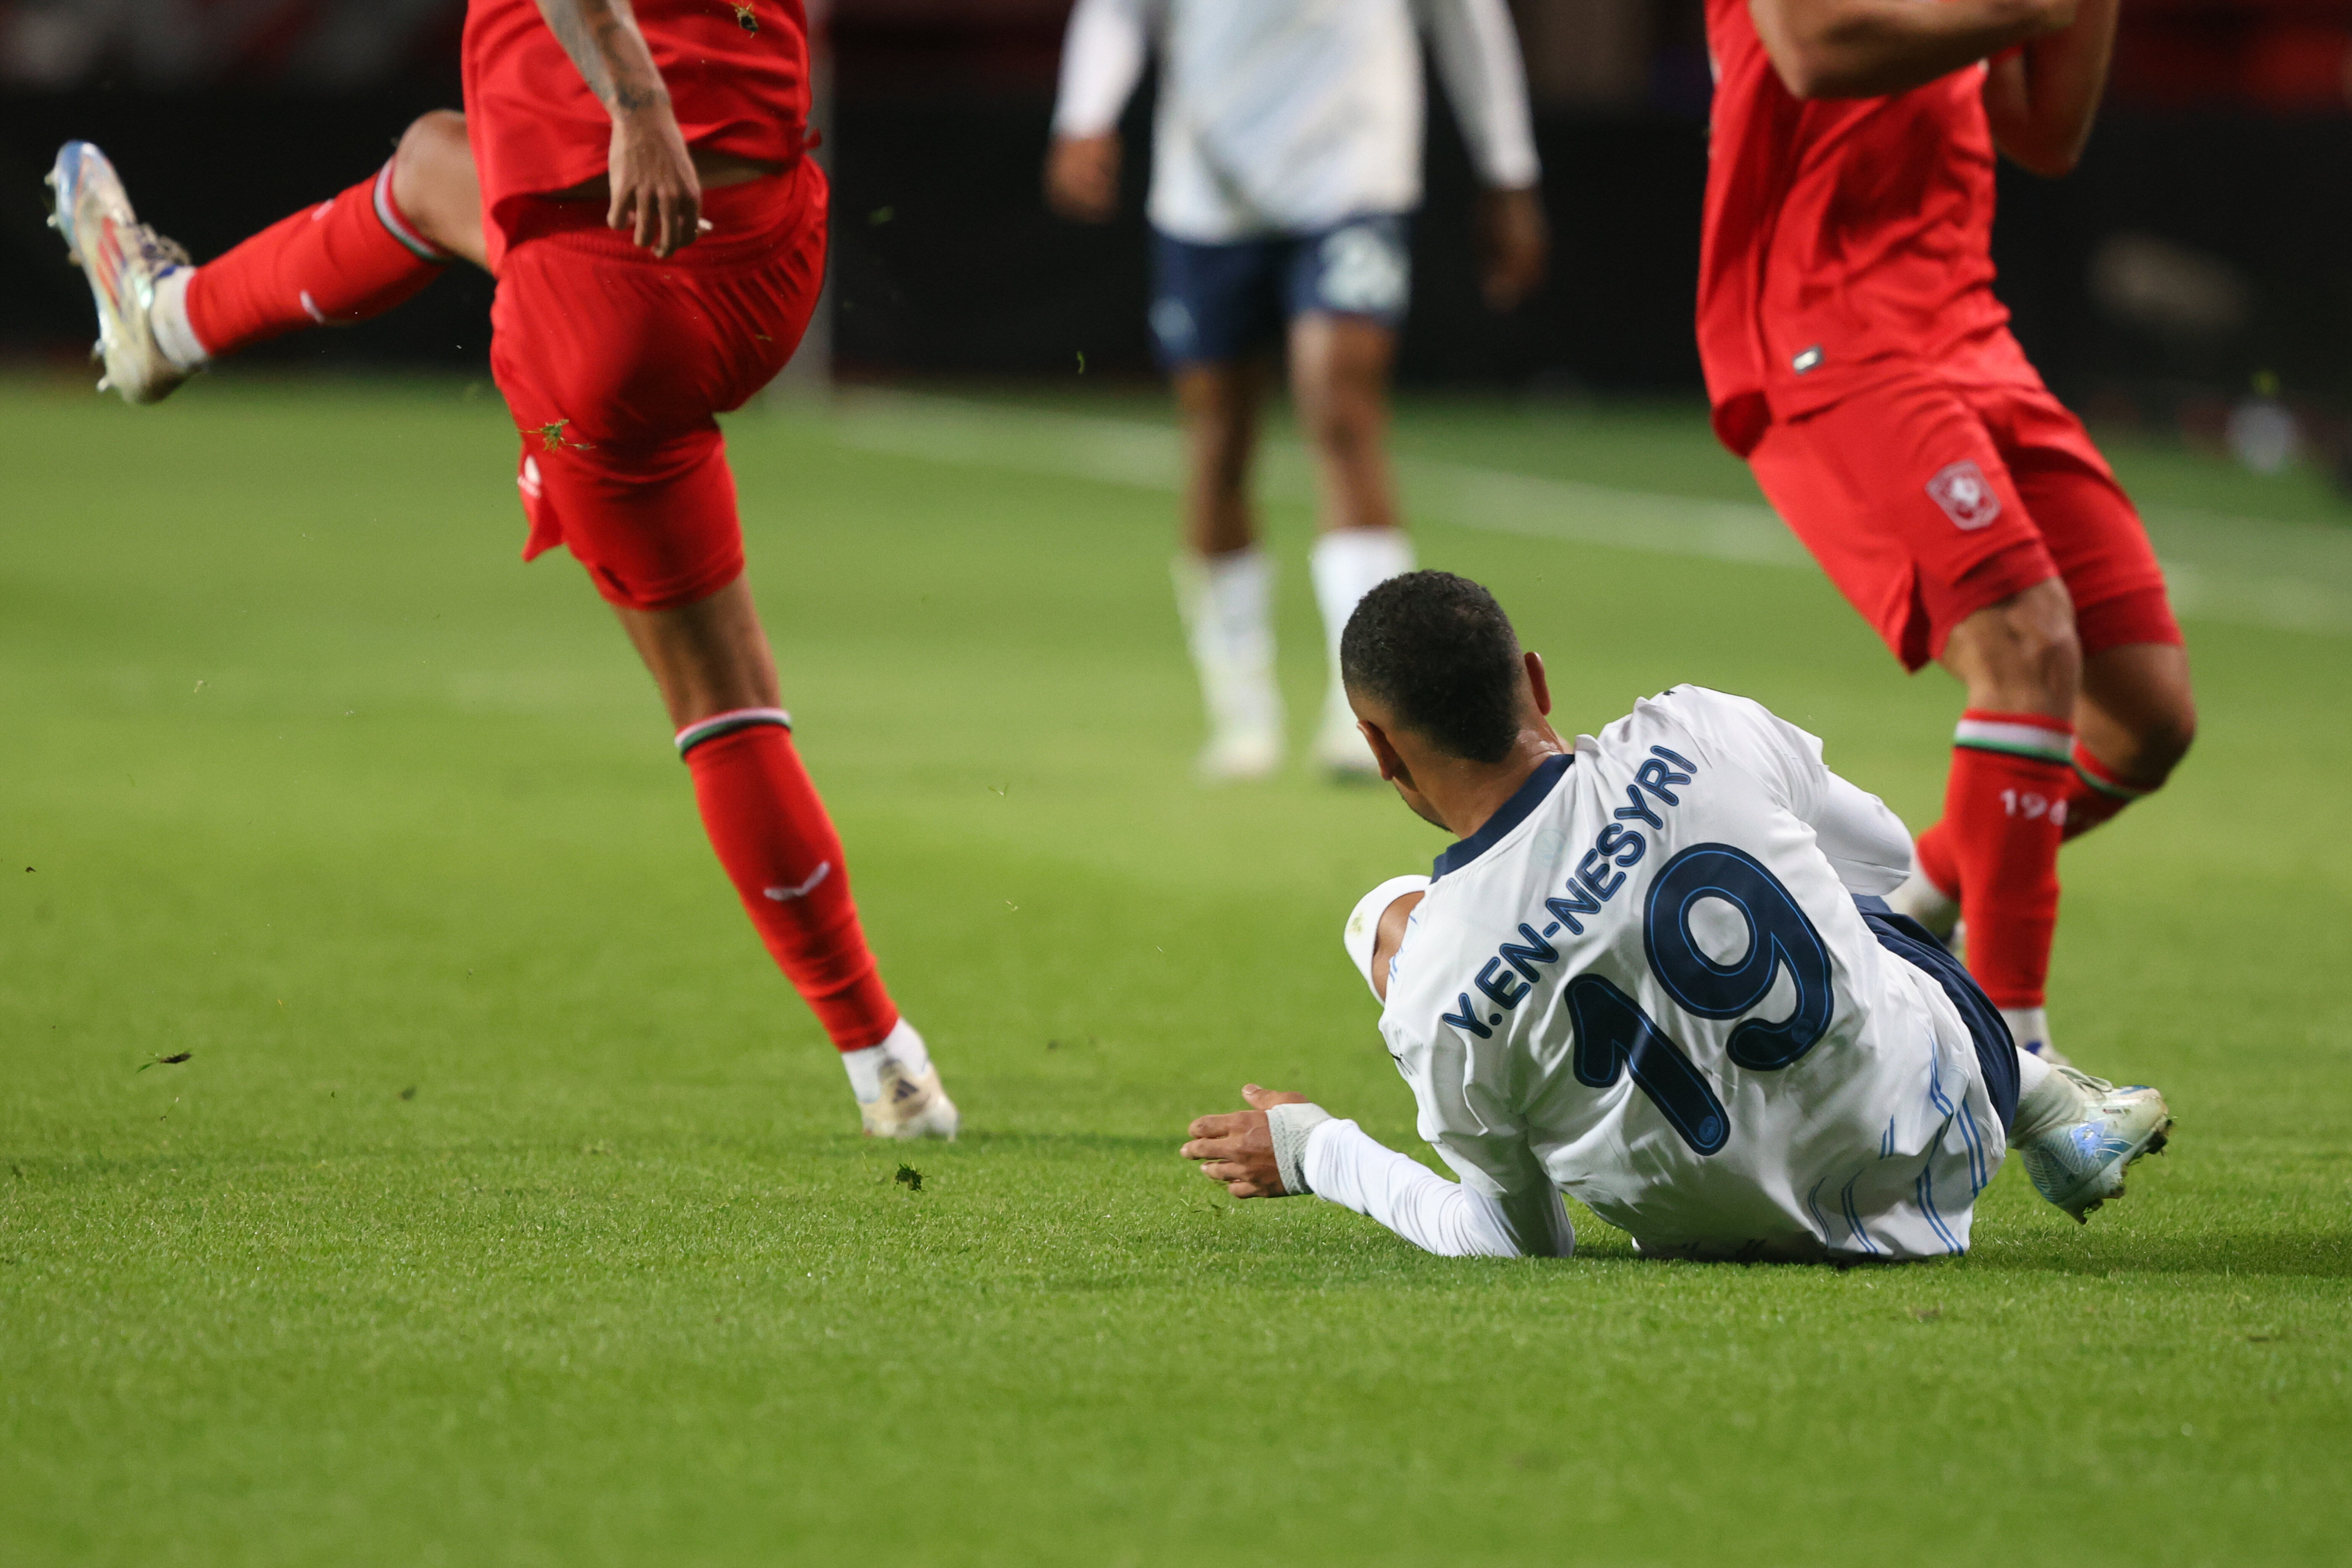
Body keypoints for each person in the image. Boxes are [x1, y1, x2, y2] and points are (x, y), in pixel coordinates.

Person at [45, 0, 956, 1140]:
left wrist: (636, 100)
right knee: (434, 161)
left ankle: (886, 1063)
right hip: (768, 257)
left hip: (615, 280)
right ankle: (167, 324)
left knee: (721, 707)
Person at [1180, 572, 2171, 1260]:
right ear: (1533, 680)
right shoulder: (1699, 725)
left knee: (1385, 918)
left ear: (1380, 751)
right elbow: (1887, 865)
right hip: (1947, 1132)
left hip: (1731, 1240)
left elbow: (1515, 1242)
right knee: (1825, 891)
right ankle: (2048, 1100)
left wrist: (1317, 1150)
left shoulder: (1436, 990)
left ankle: (2038, 1101)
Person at [1694, 0, 2199, 1067]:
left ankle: (1904, 916)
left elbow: (2044, 130)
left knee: (2146, 714)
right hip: (1820, 325)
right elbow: (1813, 51)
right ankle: (2018, 1064)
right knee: (2026, 646)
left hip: (1962, 324)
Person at [1044, 0, 1549, 781]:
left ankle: (1370, 711)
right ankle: (1242, 715)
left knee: (1342, 409)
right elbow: (1118, 12)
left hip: (1353, 175)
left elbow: (1468, 22)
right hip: (1209, 188)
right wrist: (1085, 113)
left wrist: (1508, 169)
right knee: (1219, 440)